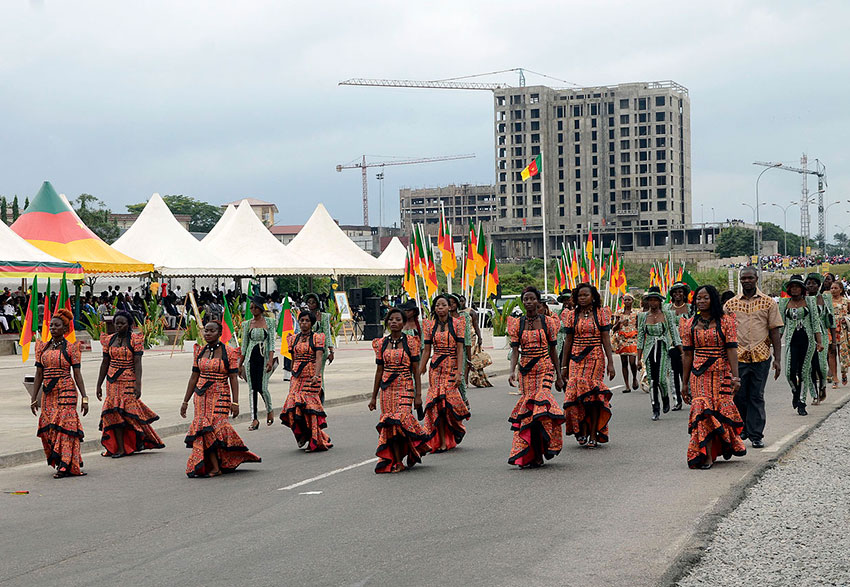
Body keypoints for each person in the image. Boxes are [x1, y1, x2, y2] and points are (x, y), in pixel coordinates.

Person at [180, 320, 261, 477]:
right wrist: (185, 401)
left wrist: (235, 402)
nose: (208, 334)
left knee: (217, 427)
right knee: (204, 429)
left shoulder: (229, 352)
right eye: (206, 331)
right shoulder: (199, 351)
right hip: (201, 396)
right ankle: (214, 466)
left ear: (219, 333)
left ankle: (227, 459)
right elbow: (194, 376)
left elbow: (233, 378)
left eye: (212, 331)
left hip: (220, 394)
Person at [680, 285, 747, 469]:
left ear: (713, 300)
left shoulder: (726, 321)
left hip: (721, 373)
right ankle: (707, 456)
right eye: (698, 298)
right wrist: (684, 383)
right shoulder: (690, 324)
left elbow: (732, 350)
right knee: (702, 409)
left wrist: (736, 377)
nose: (701, 301)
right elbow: (687, 355)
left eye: (705, 298)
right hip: (698, 374)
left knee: (719, 411)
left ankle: (724, 445)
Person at [722, 267, 783, 449]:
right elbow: (723, 331)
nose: (746, 281)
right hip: (738, 357)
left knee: (756, 395)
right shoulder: (730, 305)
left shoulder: (768, 303)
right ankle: (742, 429)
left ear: (756, 279)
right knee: (739, 395)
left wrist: (777, 359)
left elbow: (774, 331)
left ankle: (756, 434)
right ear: (740, 280)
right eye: (743, 278)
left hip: (761, 356)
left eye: (750, 278)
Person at [507, 286, 565, 468]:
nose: (529, 302)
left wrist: (559, 375)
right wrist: (512, 371)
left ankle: (542, 450)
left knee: (541, 408)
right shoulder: (517, 324)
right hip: (525, 371)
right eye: (526, 299)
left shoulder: (548, 322)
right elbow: (515, 350)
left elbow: (554, 350)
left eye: (532, 299)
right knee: (529, 414)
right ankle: (531, 453)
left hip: (544, 367)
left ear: (538, 301)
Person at [96, 311, 165, 458]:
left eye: (122, 323)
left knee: (127, 414)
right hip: (112, 382)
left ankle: (130, 444)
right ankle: (117, 447)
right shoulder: (108, 340)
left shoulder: (135, 339)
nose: (118, 326)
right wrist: (98, 385)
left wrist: (138, 384)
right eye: (116, 323)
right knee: (113, 413)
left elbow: (138, 363)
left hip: (128, 380)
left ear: (129, 325)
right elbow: (104, 363)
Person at [368, 308, 429, 473]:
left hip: (405, 386)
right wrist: (373, 397)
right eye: (391, 319)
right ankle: (396, 460)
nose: (394, 322)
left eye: (397, 319)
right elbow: (379, 371)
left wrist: (418, 395)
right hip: (387, 389)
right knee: (390, 425)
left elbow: (415, 370)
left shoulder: (411, 342)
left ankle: (419, 443)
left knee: (401, 419)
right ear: (387, 322)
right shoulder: (381, 343)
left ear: (403, 323)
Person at [30, 309, 87, 478]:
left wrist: (85, 397)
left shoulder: (72, 348)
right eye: (51, 325)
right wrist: (34, 398)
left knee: (66, 427)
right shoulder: (42, 347)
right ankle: (61, 461)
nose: (52, 328)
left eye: (56, 325)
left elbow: (77, 374)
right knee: (48, 428)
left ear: (65, 328)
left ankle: (65, 465)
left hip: (66, 390)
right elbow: (38, 374)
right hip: (48, 393)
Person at [561, 283, 616, 448]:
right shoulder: (571, 315)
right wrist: (563, 367)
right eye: (579, 296)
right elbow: (568, 341)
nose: (582, 298)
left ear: (593, 297)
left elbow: (606, 339)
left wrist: (611, 363)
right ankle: (581, 430)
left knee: (592, 398)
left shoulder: (601, 314)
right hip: (576, 359)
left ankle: (593, 433)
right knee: (575, 396)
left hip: (595, 358)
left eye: (586, 295)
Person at [420, 294, 470, 452]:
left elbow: (460, 349)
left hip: (451, 366)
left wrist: (459, 372)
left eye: (443, 305)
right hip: (435, 368)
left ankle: (456, 429)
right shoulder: (429, 325)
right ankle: (441, 441)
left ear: (450, 307)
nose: (440, 308)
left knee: (449, 404)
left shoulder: (458, 324)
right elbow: (427, 350)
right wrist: (420, 368)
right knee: (437, 405)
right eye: (437, 305)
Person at [280, 311, 333, 451]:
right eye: (301, 320)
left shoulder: (317, 338)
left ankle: (315, 441)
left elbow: (319, 358)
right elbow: (293, 359)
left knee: (310, 409)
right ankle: (303, 434)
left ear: (312, 323)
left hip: (311, 376)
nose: (304, 323)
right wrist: (292, 377)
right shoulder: (293, 339)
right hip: (297, 377)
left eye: (307, 321)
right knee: (291, 405)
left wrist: (316, 375)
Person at [779, 275, 823, 416]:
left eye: (798, 287)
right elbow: (780, 326)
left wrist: (819, 341)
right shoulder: (784, 303)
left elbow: (815, 322)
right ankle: (795, 391)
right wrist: (773, 343)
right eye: (792, 287)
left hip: (807, 340)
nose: (795, 289)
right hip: (792, 340)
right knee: (789, 372)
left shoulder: (809, 301)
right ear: (789, 290)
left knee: (804, 371)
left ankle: (802, 403)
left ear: (802, 289)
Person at [637, 286, 683, 420]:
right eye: (650, 300)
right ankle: (655, 407)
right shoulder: (642, 317)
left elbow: (674, 334)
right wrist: (638, 359)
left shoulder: (667, 314)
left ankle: (665, 398)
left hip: (663, 348)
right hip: (649, 349)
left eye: (655, 300)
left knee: (662, 380)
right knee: (652, 381)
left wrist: (681, 352)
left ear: (659, 301)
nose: (652, 303)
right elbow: (640, 338)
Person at [238, 297, 276, 431]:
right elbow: (244, 346)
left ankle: (269, 410)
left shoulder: (270, 322)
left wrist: (271, 360)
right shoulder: (247, 324)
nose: (253, 310)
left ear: (261, 308)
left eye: (255, 307)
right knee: (252, 389)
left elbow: (272, 342)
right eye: (251, 307)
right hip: (250, 358)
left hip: (264, 357)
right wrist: (240, 363)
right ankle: (254, 419)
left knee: (263, 388)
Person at [805, 273, 833, 404]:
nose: (811, 286)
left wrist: (834, 340)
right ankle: (814, 394)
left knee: (821, 366)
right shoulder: (802, 299)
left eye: (814, 283)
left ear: (818, 285)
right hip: (807, 335)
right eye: (808, 283)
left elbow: (831, 319)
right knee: (809, 367)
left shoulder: (825, 298)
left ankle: (822, 386)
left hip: (822, 334)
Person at [666, 281, 692, 408]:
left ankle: (690, 396)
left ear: (684, 294)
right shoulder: (666, 308)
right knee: (673, 372)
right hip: (671, 345)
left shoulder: (691, 308)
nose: (678, 294)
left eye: (680, 292)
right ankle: (677, 400)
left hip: (687, 344)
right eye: (675, 292)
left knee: (687, 371)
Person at [304, 293, 335, 402]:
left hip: (320, 350)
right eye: (309, 302)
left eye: (313, 302)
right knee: (308, 375)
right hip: (308, 350)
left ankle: (320, 399)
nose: (311, 304)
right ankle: (310, 399)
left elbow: (326, 333)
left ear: (317, 303)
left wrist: (331, 351)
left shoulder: (324, 316)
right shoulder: (305, 316)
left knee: (319, 375)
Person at [612, 293, 639, 392]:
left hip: (633, 339)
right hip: (622, 339)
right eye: (625, 300)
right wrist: (619, 323)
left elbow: (639, 326)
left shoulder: (636, 313)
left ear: (632, 301)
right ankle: (627, 385)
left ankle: (635, 378)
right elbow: (614, 328)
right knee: (624, 362)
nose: (627, 302)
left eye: (629, 300)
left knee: (632, 362)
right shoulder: (619, 313)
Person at [829, 280, 850, 387]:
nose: (833, 290)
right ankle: (835, 378)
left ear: (841, 290)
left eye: (835, 288)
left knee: (843, 354)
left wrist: (845, 319)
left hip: (843, 330)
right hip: (830, 330)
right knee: (832, 353)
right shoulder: (827, 302)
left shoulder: (846, 301)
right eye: (832, 288)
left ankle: (844, 373)